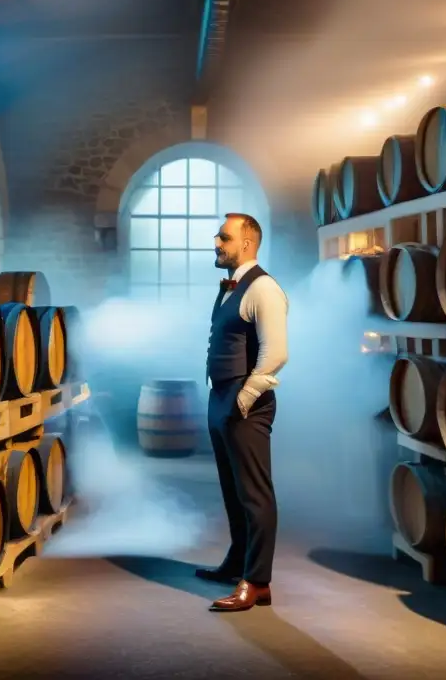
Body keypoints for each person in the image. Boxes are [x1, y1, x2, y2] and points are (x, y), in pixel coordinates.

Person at [198, 212, 288, 612]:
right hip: (222, 396)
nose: (216, 243)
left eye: (224, 237)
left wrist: (243, 399)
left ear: (247, 243)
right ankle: (238, 562)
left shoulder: (264, 288)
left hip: (244, 402)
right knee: (232, 490)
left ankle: (257, 582)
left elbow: (276, 353)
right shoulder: (230, 287)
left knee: (254, 494)